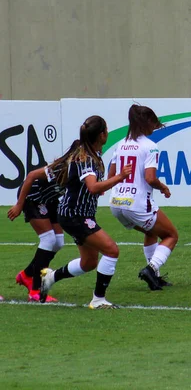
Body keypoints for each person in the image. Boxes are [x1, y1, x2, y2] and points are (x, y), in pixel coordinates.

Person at [39, 115, 132, 308]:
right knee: (112, 250)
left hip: (77, 214)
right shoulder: (86, 158)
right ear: (101, 135)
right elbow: (92, 187)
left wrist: (107, 182)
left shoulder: (91, 155)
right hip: (75, 215)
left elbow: (91, 187)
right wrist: (120, 177)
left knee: (89, 262)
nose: (107, 132)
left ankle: (50, 277)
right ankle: (98, 299)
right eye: (106, 130)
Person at [108, 104, 178, 291]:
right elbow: (150, 178)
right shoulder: (150, 147)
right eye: (153, 124)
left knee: (150, 232)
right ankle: (151, 268)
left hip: (116, 204)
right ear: (145, 123)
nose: (154, 128)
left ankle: (154, 276)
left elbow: (111, 177)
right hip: (137, 204)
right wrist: (163, 187)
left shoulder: (120, 145)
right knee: (171, 235)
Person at [6, 150, 76, 302]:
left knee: (58, 243)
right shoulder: (60, 168)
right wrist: (19, 205)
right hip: (33, 197)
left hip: (49, 199)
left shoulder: (82, 167)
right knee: (48, 240)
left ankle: (26, 275)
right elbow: (31, 176)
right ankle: (35, 291)